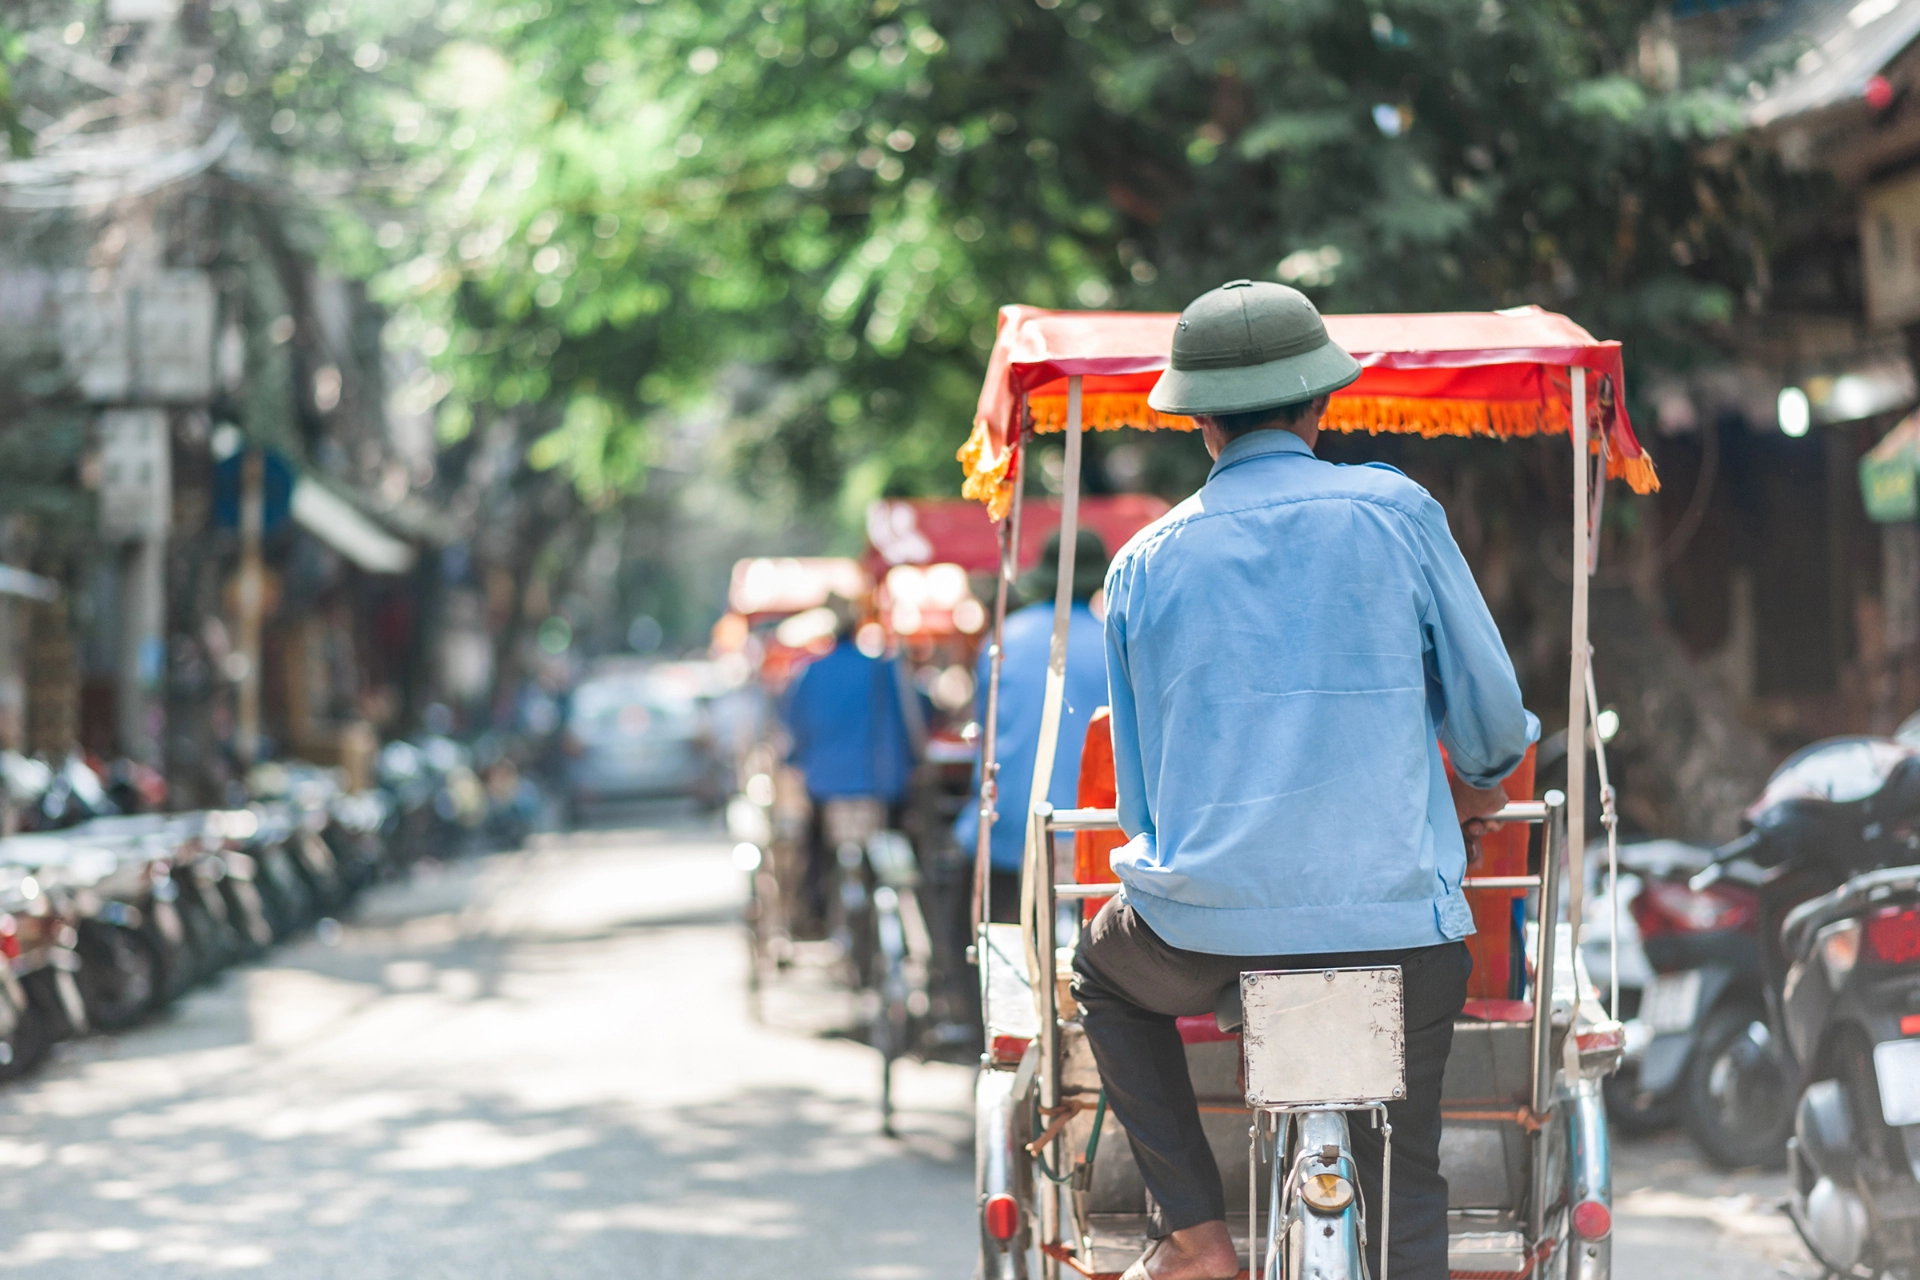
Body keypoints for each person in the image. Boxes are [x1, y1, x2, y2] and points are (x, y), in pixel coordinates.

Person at [1073, 280, 1538, 1280]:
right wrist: (1484, 781)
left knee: (1099, 974)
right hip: (1401, 931)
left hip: (1202, 935)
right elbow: (1493, 724)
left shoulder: (1143, 563)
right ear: (1321, 405)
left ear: (1199, 422)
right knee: (1403, 1178)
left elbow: (1142, 801)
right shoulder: (1397, 511)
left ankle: (1198, 1236)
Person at [954, 529, 1110, 922]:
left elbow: (987, 738)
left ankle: (958, 981)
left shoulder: (1006, 638)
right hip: (1098, 831)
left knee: (973, 916)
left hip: (1013, 826)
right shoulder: (1115, 637)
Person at [780, 595, 920, 928]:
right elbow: (915, 719)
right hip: (882, 786)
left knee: (822, 854)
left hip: (827, 787)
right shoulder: (884, 671)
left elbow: (794, 731)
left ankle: (818, 916)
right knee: (892, 852)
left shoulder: (810, 674)